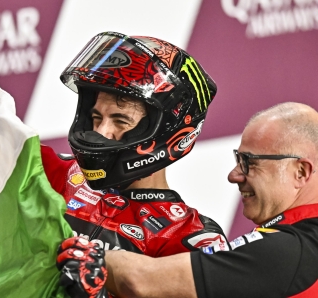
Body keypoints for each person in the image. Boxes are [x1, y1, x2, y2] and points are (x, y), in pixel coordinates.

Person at [57, 102, 318, 297]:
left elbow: (140, 280)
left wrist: (84, 250)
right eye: (238, 160)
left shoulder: (292, 250)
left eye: (249, 163)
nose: (234, 175)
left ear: (301, 172)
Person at [41, 31, 227, 296]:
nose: (102, 132)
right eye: (96, 117)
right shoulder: (51, 172)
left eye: (120, 121)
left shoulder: (187, 235)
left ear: (166, 133)